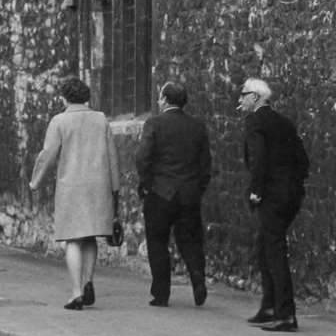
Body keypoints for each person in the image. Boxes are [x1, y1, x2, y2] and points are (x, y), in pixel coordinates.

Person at [30, 76, 121, 310]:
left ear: (64, 98)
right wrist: (115, 188)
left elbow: (48, 154)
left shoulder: (59, 121)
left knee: (73, 239)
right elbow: (112, 157)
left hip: (72, 188)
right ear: (87, 97)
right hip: (98, 186)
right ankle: (89, 281)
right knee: (90, 236)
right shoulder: (101, 119)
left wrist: (35, 182)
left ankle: (76, 292)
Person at [238, 77, 309, 333]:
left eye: (244, 94)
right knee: (264, 247)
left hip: (270, 196)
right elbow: (303, 160)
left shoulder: (255, 122)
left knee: (275, 251)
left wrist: (256, 191)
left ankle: (285, 313)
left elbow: (259, 158)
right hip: (290, 195)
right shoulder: (284, 122)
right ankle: (269, 306)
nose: (240, 99)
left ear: (256, 97)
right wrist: (294, 185)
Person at [135, 80, 212, 308]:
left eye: (160, 97)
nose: (159, 101)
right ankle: (198, 277)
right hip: (189, 193)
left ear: (166, 100)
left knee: (157, 242)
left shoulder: (154, 124)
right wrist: (197, 189)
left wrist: (147, 183)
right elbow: (205, 164)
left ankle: (161, 293)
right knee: (190, 240)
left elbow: (142, 157)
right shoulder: (197, 127)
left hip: (160, 192)